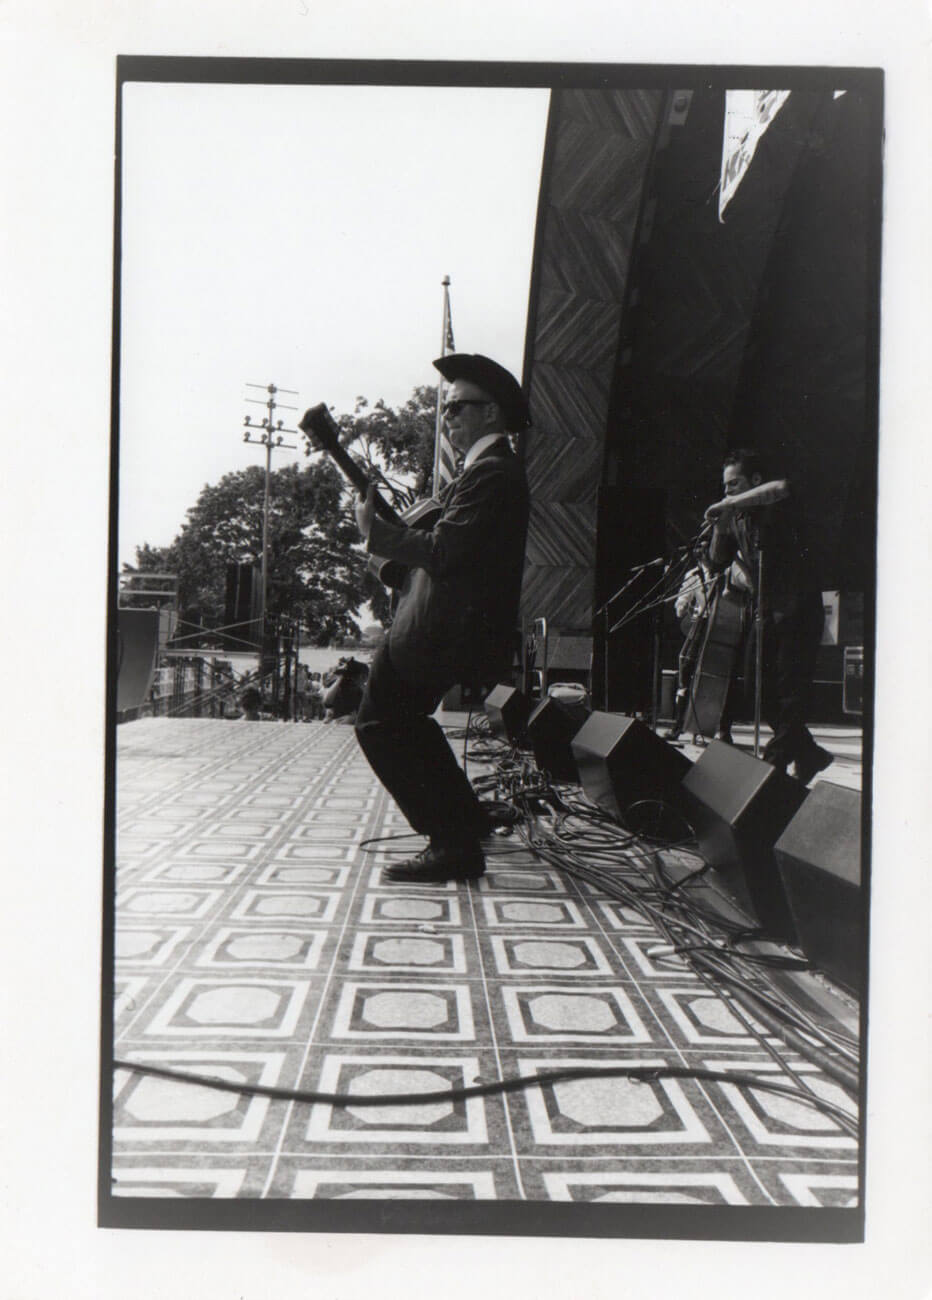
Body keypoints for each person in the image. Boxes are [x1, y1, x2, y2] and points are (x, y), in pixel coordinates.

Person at [353, 352, 530, 883]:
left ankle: (452, 843)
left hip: (438, 635)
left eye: (458, 407)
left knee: (379, 725)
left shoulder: (491, 474)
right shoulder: (482, 473)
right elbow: (448, 558)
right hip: (439, 629)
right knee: (409, 723)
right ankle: (464, 820)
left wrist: (376, 534)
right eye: (446, 408)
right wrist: (390, 561)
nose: (447, 417)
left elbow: (445, 552)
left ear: (491, 412)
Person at [704, 448, 833, 784]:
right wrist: (721, 526)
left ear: (755, 480)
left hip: (798, 607)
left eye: (734, 483)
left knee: (791, 690)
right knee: (757, 689)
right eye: (725, 486)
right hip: (765, 609)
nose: (727, 491)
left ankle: (773, 766)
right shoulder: (736, 517)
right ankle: (810, 754)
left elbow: (781, 487)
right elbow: (716, 561)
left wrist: (731, 503)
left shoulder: (775, 502)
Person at [665, 544, 714, 741]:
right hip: (701, 627)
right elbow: (680, 607)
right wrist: (686, 606)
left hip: (720, 627)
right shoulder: (694, 576)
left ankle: (721, 728)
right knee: (685, 671)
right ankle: (679, 725)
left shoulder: (726, 573)